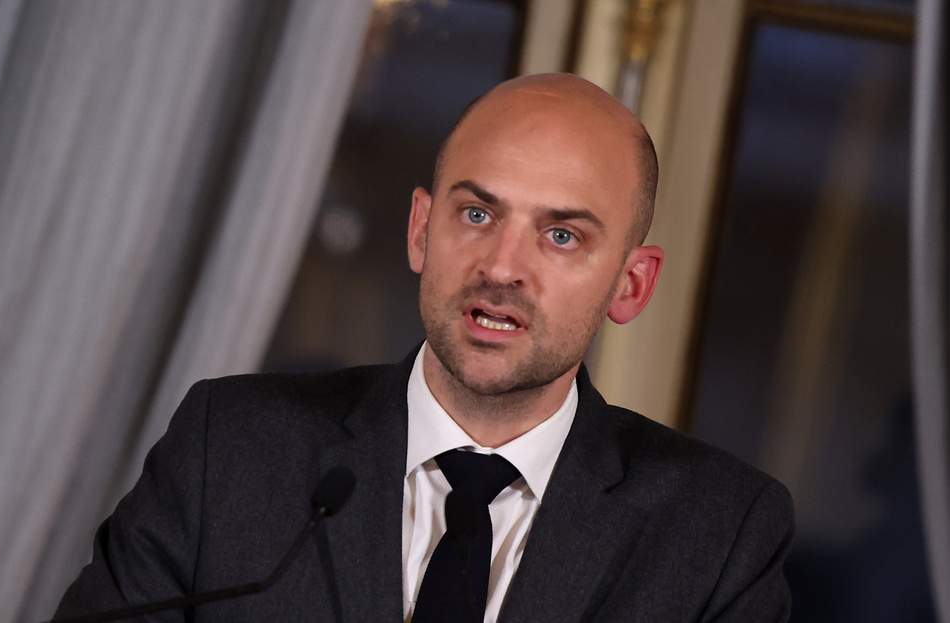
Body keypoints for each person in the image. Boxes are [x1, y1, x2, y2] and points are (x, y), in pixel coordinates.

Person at [54, 73, 794, 622]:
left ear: (631, 284)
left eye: (561, 235)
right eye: (477, 213)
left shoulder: (719, 535)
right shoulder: (230, 447)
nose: (501, 267)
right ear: (420, 230)